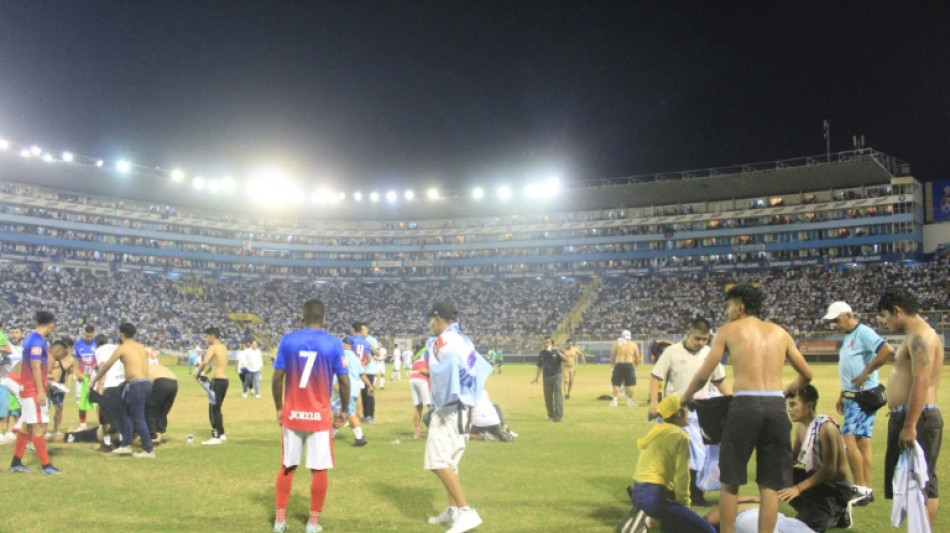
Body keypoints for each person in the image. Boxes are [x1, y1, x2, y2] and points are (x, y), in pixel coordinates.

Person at [683, 284, 813, 533]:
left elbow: (704, 374)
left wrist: (684, 397)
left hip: (744, 407)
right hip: (775, 408)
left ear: (740, 307)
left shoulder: (729, 331)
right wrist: (784, 391)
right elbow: (807, 374)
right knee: (770, 485)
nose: (726, 312)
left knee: (730, 483)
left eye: (728, 306)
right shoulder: (780, 332)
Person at [271, 298, 350, 533]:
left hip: (293, 414)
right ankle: (313, 522)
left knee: (288, 465)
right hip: (319, 416)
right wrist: (344, 410)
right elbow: (344, 382)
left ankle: (280, 520)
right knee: (319, 469)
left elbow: (277, 378)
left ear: (302, 318)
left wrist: (278, 407)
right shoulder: (333, 343)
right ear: (324, 319)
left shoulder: (288, 340)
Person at [877, 288, 944, 529]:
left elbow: (922, 381)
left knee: (917, 485)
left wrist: (909, 424)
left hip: (917, 418)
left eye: (886, 315)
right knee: (924, 483)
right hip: (916, 416)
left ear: (898, 310)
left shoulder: (920, 336)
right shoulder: (917, 334)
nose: (886, 321)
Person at [424, 300, 492, 533]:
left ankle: (465, 511)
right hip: (466, 406)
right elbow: (481, 367)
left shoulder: (444, 340)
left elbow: (451, 363)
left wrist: (443, 398)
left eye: (432, 320)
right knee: (451, 460)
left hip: (451, 408)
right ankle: (453, 510)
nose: (431, 325)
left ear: (439, 319)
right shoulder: (464, 339)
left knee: (438, 460)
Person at [649, 317, 732, 506]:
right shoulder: (671, 352)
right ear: (688, 334)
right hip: (674, 413)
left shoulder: (710, 354)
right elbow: (655, 377)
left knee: (699, 455)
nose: (701, 343)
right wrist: (654, 402)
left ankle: (695, 494)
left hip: (701, 412)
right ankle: (668, 493)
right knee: (673, 455)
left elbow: (719, 380)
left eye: (704, 339)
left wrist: (733, 401)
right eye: (697, 339)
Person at [821, 301, 894, 504]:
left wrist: (866, 373)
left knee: (849, 437)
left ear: (848, 315)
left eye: (836, 320)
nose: (834, 325)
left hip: (863, 395)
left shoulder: (863, 332)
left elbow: (887, 350)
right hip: (855, 394)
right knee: (862, 441)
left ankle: (860, 487)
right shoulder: (849, 336)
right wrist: (842, 394)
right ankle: (866, 489)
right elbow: (849, 370)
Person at [622, 395, 715, 533]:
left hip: (638, 494)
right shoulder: (680, 436)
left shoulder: (657, 430)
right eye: (686, 409)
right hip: (655, 496)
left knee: (676, 525)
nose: (689, 412)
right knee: (708, 530)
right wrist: (685, 504)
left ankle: (641, 518)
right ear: (678, 413)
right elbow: (682, 476)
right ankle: (645, 522)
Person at [778, 385, 853, 532]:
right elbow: (793, 459)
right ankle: (810, 508)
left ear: (809, 405)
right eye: (788, 405)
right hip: (816, 481)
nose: (789, 409)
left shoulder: (826, 428)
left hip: (835, 487)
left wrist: (798, 488)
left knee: (810, 526)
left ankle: (838, 509)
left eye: (793, 405)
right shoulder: (801, 427)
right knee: (779, 472)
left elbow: (829, 470)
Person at [90, 322, 155, 458]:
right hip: (145, 383)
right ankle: (126, 445)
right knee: (126, 413)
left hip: (135, 385)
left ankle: (148, 449)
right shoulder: (140, 347)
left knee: (138, 417)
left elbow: (106, 366)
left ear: (121, 334)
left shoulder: (122, 348)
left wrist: (94, 380)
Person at [9, 311, 63, 474]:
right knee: (38, 427)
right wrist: (40, 391)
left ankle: (16, 463)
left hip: (28, 387)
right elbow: (35, 366)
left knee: (26, 427)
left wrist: (46, 378)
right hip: (32, 390)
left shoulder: (31, 338)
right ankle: (46, 465)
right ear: (50, 324)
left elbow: (35, 367)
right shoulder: (37, 342)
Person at [333, 336, 371, 447]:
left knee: (350, 413)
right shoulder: (355, 358)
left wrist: (338, 384)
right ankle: (330, 436)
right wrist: (370, 386)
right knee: (339, 413)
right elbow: (362, 374)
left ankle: (359, 438)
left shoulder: (342, 355)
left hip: (345, 388)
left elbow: (343, 372)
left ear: (344, 344)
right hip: (354, 389)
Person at [704, 498, 817, 533]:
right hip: (757, 520)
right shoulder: (725, 510)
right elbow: (709, 519)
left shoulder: (727, 507)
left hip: (779, 519)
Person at [196, 326, 230, 444]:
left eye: (206, 336)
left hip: (217, 381)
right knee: (217, 408)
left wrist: (198, 373)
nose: (206, 339)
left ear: (212, 336)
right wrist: (205, 373)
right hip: (225, 381)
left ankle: (215, 436)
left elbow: (205, 362)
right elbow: (215, 364)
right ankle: (221, 434)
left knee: (213, 409)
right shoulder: (223, 348)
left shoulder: (213, 347)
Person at [92, 333, 123, 452]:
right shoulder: (115, 347)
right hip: (122, 383)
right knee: (120, 414)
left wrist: (99, 385)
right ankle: (121, 440)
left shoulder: (99, 350)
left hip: (110, 385)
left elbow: (103, 366)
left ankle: (107, 443)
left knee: (104, 416)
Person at [531, 336, 567, 422]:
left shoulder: (557, 351)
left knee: (558, 396)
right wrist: (536, 377)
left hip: (556, 375)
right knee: (548, 397)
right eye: (545, 342)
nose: (546, 343)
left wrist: (558, 352)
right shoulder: (542, 353)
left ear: (552, 343)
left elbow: (566, 359)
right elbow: (539, 365)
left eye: (548, 342)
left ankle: (558, 416)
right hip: (546, 376)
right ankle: (551, 415)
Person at [46, 339, 76, 437]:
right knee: (45, 408)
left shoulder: (71, 360)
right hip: (48, 384)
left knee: (59, 407)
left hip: (59, 386)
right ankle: (45, 430)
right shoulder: (51, 357)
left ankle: (56, 429)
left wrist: (68, 384)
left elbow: (71, 372)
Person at [145, 360, 179, 444]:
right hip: (174, 382)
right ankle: (159, 434)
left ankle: (152, 436)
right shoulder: (156, 366)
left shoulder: (144, 369)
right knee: (163, 410)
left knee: (151, 410)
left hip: (160, 381)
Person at [74, 325, 98, 430]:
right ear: (84, 334)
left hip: (93, 375)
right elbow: (76, 360)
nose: (89, 338)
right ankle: (83, 425)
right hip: (81, 375)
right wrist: (77, 373)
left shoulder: (96, 344)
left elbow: (99, 359)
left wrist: (92, 369)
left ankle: (101, 423)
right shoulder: (78, 345)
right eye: (87, 336)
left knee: (97, 400)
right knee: (81, 400)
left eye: (91, 336)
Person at [610, 329, 641, 407]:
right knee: (629, 384)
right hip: (629, 364)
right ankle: (630, 401)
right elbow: (637, 357)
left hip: (619, 364)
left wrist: (612, 365)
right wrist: (636, 366)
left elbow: (613, 355)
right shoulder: (633, 344)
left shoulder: (617, 343)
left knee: (616, 383)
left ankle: (615, 401)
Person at [409, 347, 430, 440]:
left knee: (418, 407)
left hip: (413, 377)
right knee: (431, 406)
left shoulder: (420, 352)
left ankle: (416, 434)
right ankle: (435, 431)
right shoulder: (431, 350)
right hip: (422, 378)